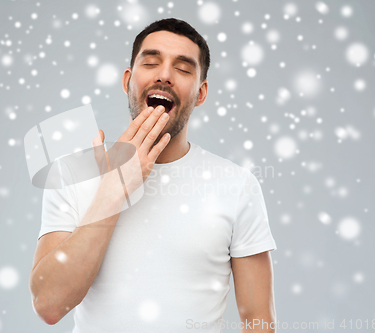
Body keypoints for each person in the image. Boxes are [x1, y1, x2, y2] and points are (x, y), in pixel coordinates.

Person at [29, 18, 277, 332]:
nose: (164, 75)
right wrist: (113, 190)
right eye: (151, 62)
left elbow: (259, 322)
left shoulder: (237, 186)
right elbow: (49, 304)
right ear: (128, 81)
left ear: (200, 94)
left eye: (184, 68)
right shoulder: (71, 173)